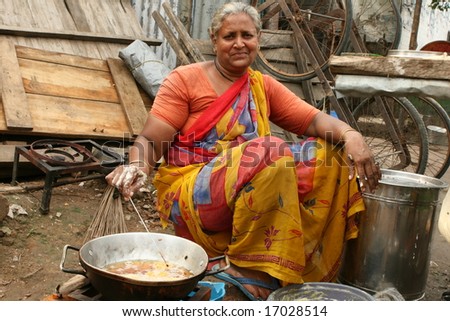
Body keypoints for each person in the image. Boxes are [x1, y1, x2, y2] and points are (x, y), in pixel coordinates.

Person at [106, 1, 381, 300]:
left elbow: (313, 120)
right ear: (215, 40)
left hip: (248, 186)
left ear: (258, 40)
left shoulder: (261, 85)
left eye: (247, 36)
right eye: (229, 36)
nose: (239, 43)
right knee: (271, 150)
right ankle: (246, 269)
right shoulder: (184, 80)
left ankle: (285, 259)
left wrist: (352, 135)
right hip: (193, 194)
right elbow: (149, 140)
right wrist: (138, 166)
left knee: (329, 152)